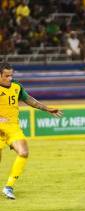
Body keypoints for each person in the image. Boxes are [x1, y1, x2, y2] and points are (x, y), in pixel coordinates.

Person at [0, 62, 62, 199]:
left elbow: (29, 100)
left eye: (11, 75)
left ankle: (8, 187)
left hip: (12, 127)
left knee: (24, 152)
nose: (10, 78)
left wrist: (47, 109)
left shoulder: (16, 86)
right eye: (6, 76)